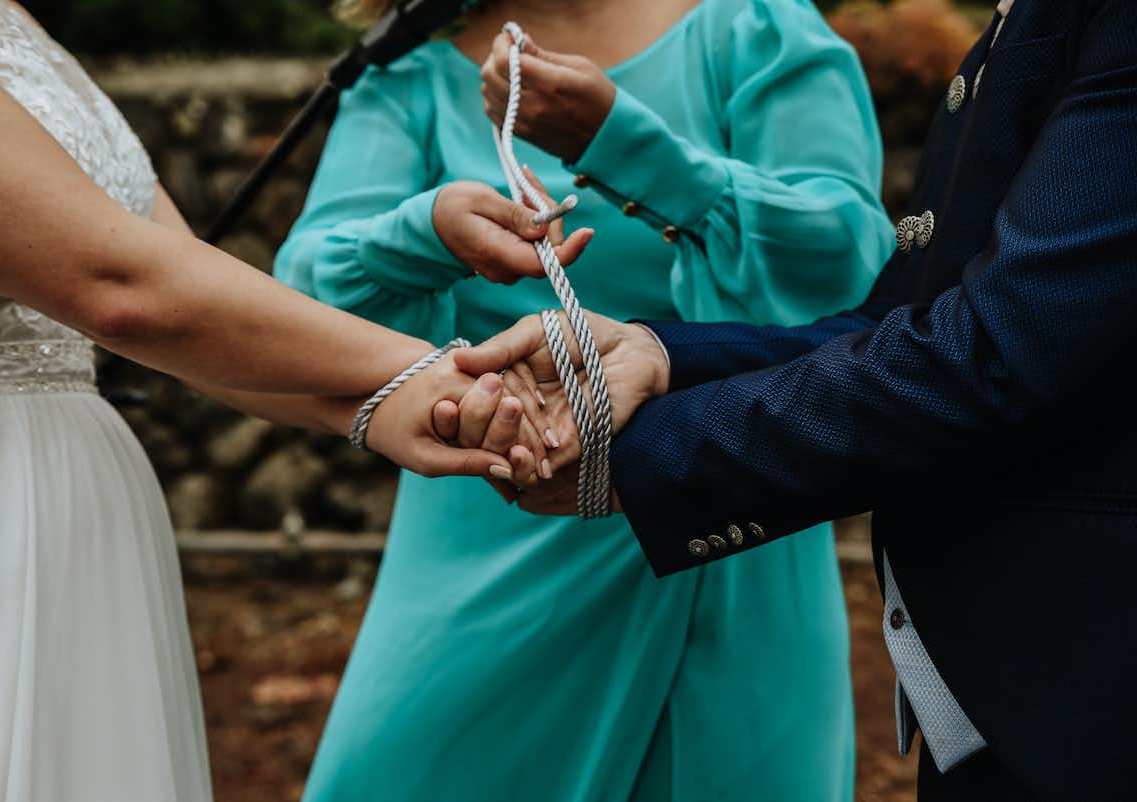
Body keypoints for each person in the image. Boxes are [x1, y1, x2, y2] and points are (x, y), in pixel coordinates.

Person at [458, 0, 1137, 798]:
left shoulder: (762, 30)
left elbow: (987, 344)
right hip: (1016, 690)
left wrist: (641, 453)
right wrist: (662, 353)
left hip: (1083, 690)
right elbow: (906, 320)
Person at [274, 0, 894, 798]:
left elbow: (852, 272)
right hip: (487, 540)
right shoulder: (407, 80)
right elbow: (302, 314)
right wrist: (424, 232)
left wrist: (628, 148)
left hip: (724, 525)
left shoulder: (757, 29)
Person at [0, 3, 551, 799]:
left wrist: (376, 405)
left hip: (68, 521)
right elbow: (122, 290)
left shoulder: (4, 15)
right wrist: (440, 368)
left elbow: (188, 314)